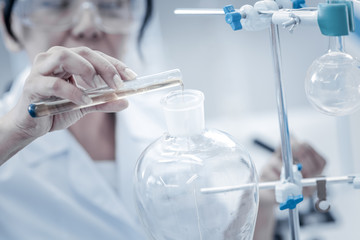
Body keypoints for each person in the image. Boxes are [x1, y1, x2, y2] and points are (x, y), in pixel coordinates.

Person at [0, 0, 326, 239]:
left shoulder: (165, 124)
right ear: (9, 29)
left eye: (112, 5)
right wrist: (15, 131)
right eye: (55, 4)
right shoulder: (7, 137)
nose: (88, 25)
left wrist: (262, 198)